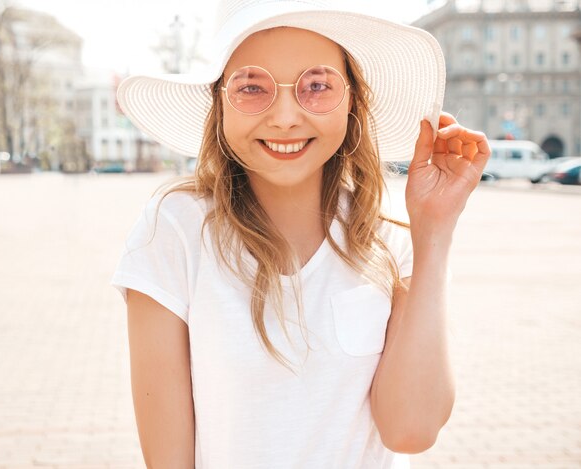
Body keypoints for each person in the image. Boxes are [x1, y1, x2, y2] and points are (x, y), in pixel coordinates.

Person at [111, 1, 491, 468]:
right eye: (252, 87)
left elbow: (411, 430)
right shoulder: (175, 231)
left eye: (317, 86)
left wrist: (434, 230)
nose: (286, 117)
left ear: (353, 100)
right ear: (218, 102)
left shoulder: (391, 239)